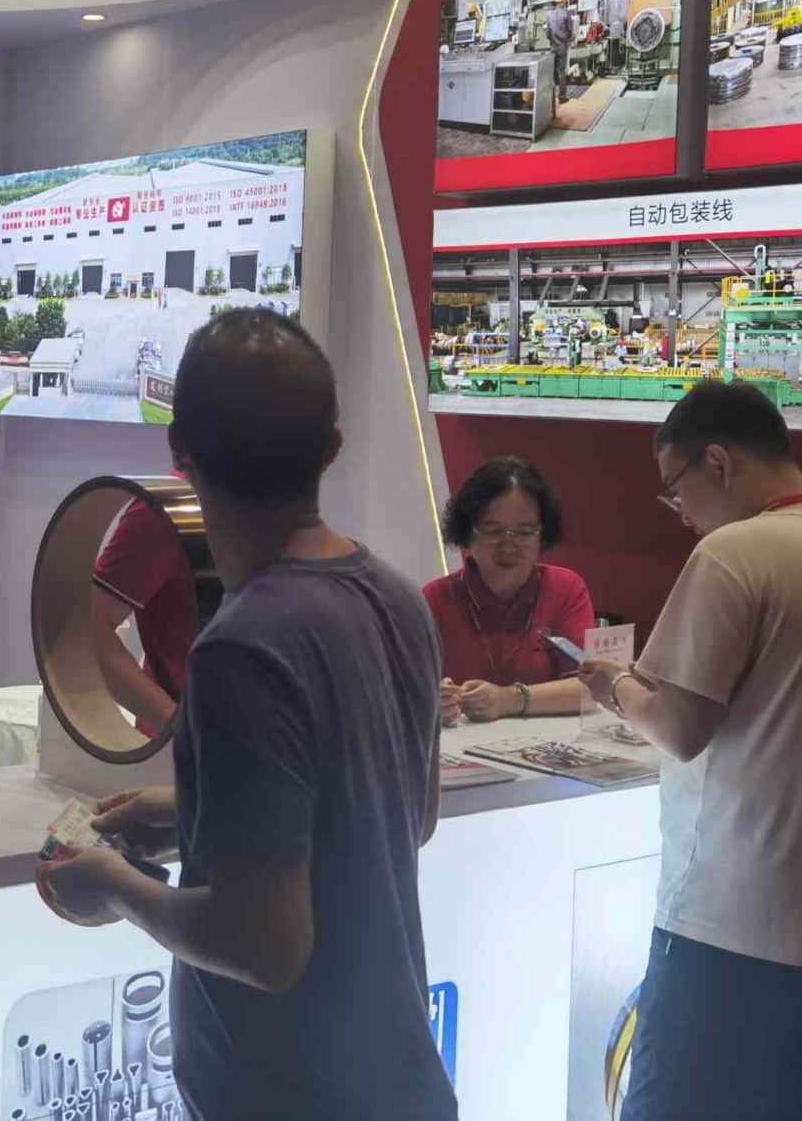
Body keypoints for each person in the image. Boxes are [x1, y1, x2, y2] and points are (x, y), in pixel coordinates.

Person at [38, 309, 454, 1121]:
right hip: (396, 1077)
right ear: (332, 446)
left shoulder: (242, 646)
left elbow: (262, 947)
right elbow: (409, 815)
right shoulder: (402, 599)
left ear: (179, 450)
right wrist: (197, 812)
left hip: (289, 1096)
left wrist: (114, 885)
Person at [578, 381, 802, 1121]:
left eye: (675, 490)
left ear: (719, 463)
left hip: (732, 926)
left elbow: (679, 727)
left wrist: (616, 688)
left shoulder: (735, 554)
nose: (681, 514)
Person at [424, 457, 594, 723]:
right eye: (493, 531)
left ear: (543, 534)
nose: (508, 545)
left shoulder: (565, 589)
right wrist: (432, 702)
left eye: (525, 532)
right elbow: (402, 689)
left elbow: (590, 686)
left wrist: (508, 699)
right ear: (466, 532)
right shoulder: (435, 599)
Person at [89, 484, 197, 736]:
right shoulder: (165, 509)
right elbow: (88, 630)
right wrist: (181, 732)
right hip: (184, 747)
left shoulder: (266, 507)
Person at [544, 0, 575, 107]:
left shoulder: (549, 14)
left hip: (553, 47)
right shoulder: (566, 14)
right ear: (563, 1)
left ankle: (550, 98)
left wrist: (553, 41)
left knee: (552, 74)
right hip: (562, 47)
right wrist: (568, 39)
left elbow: (547, 33)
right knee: (561, 73)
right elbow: (570, 31)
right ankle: (562, 97)